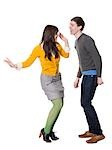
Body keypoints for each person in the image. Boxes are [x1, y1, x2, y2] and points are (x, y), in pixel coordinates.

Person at [4, 25, 70, 143]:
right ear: (50, 34)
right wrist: (15, 65)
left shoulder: (57, 46)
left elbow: (66, 55)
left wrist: (66, 42)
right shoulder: (39, 48)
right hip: (47, 80)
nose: (57, 36)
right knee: (57, 104)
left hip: (57, 78)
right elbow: (28, 62)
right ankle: (46, 131)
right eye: (56, 34)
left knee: (60, 106)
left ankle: (49, 130)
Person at [69, 17, 105, 143]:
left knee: (86, 102)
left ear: (79, 27)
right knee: (85, 103)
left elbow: (97, 57)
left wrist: (99, 76)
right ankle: (92, 130)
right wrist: (78, 77)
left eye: (72, 25)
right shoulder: (76, 42)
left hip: (92, 75)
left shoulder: (86, 39)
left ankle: (98, 133)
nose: (70, 27)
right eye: (70, 25)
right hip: (86, 75)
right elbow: (82, 62)